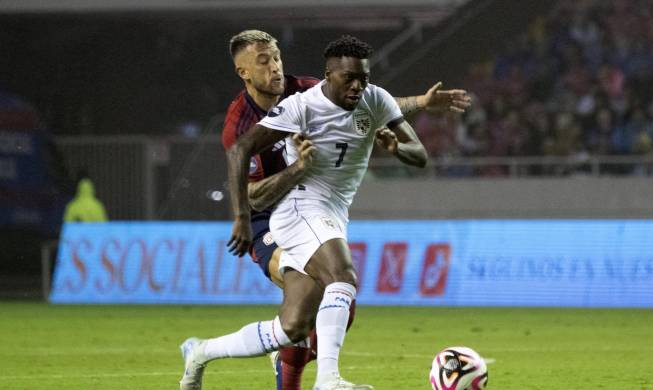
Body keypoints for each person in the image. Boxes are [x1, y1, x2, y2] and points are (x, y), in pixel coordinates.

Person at [179, 31, 469, 390]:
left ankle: (201, 351)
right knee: (341, 277)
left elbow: (375, 101)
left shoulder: (313, 88)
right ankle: (327, 379)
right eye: (264, 61)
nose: (275, 67)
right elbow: (253, 193)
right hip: (273, 212)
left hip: (328, 210)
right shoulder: (257, 116)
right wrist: (257, 205)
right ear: (243, 72)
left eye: (277, 57)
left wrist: (421, 103)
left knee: (295, 324)